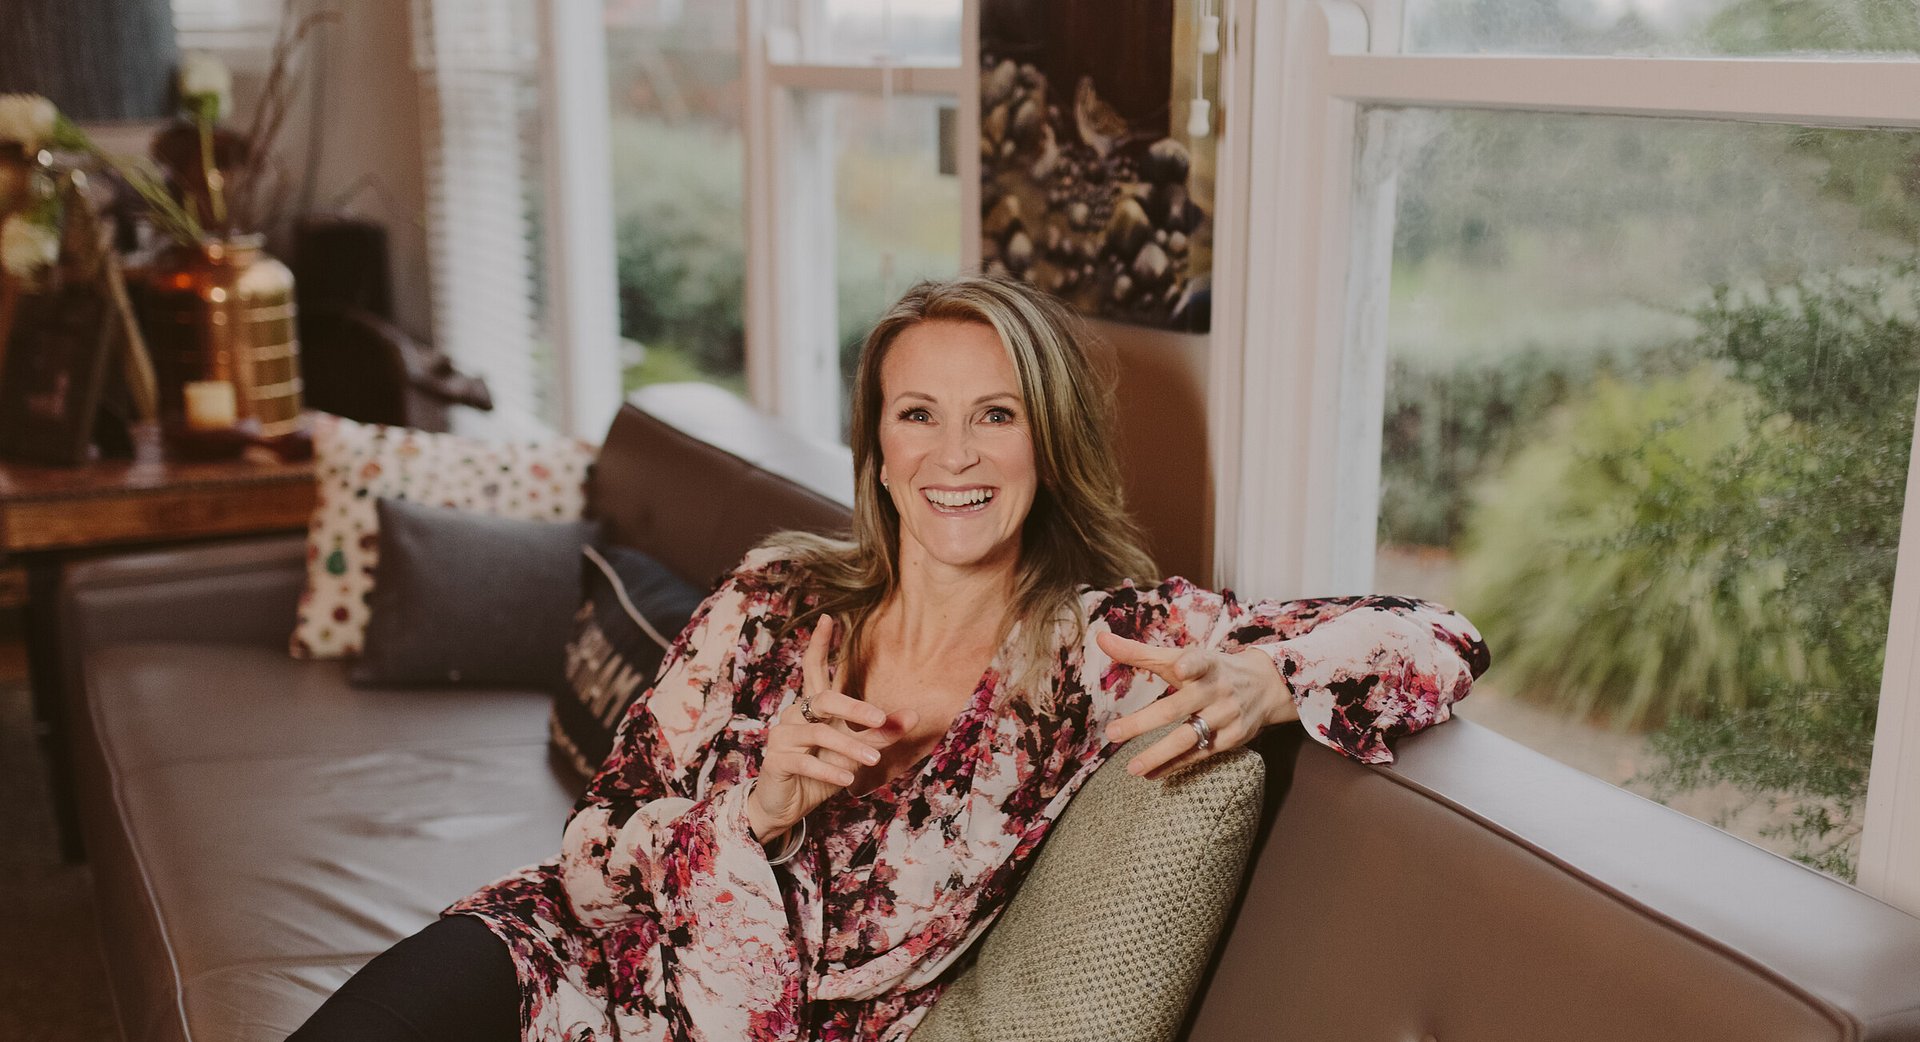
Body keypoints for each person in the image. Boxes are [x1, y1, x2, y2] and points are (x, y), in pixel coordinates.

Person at [289, 275, 1489, 1042]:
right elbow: (592, 857)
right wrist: (754, 809)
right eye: (918, 413)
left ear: (1048, 442)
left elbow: (1440, 633)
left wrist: (1270, 678)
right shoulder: (771, 599)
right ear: (876, 442)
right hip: (552, 957)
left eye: (995, 414)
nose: (953, 455)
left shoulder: (1106, 650)